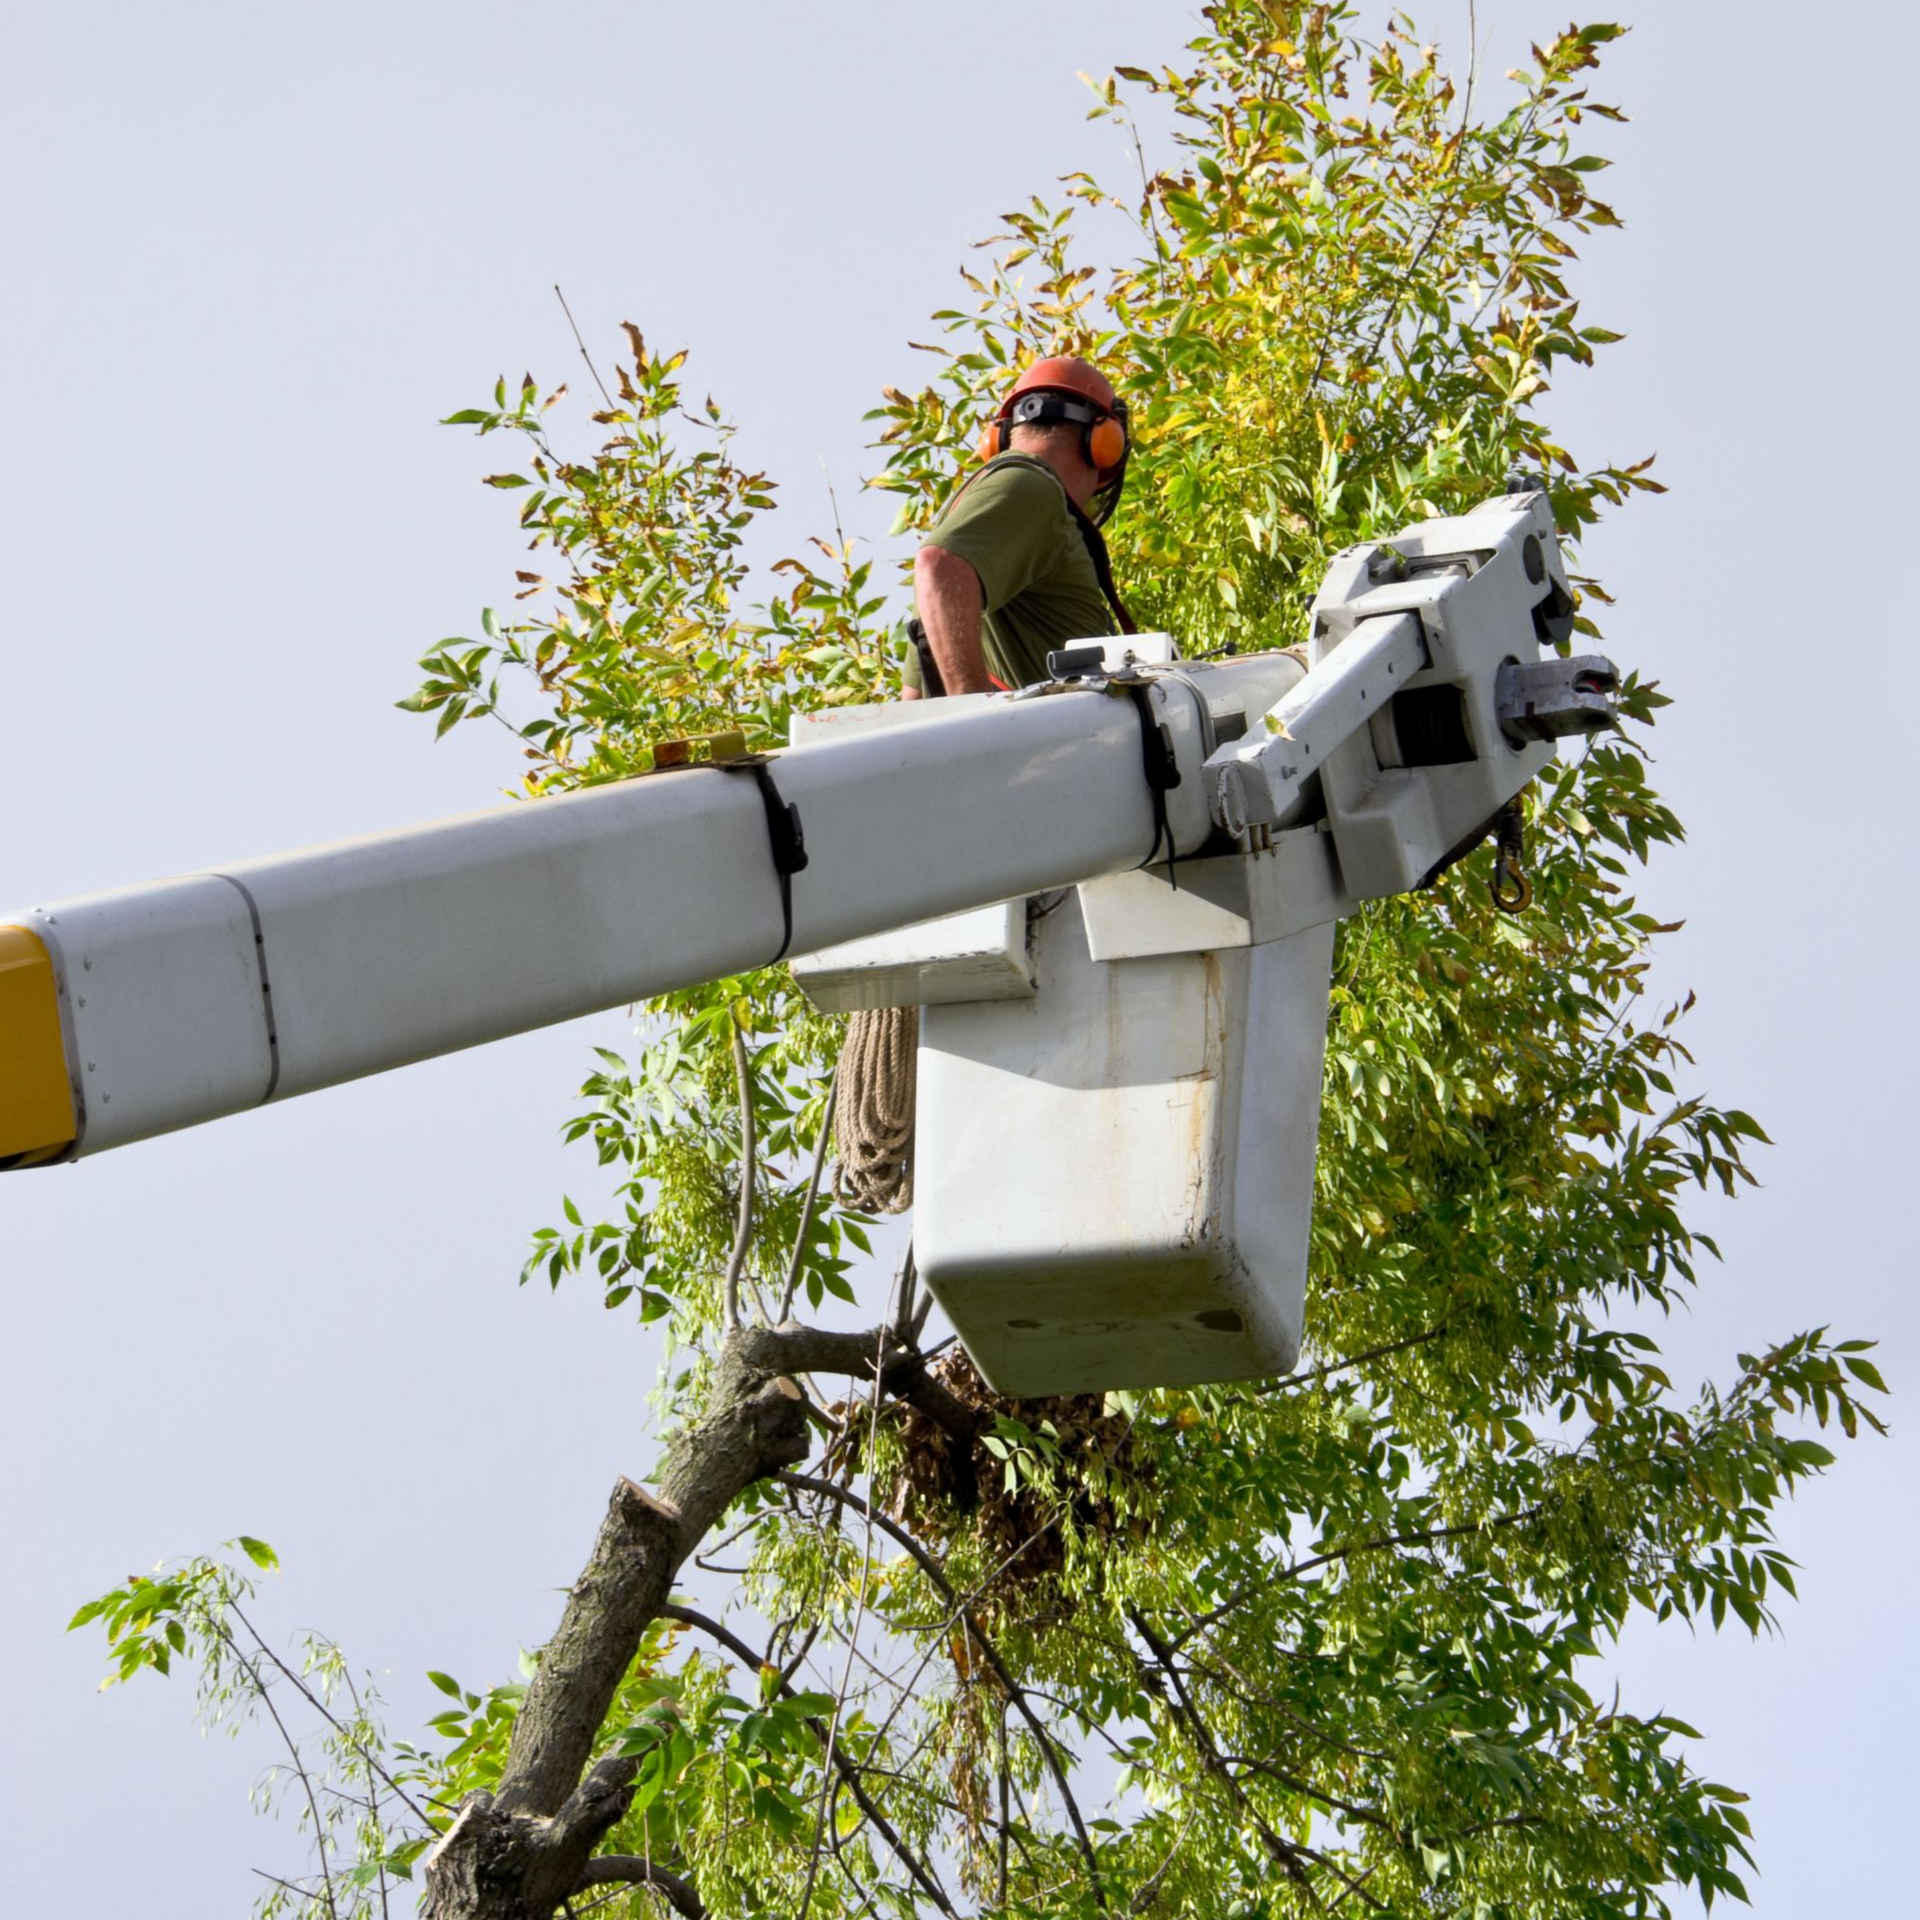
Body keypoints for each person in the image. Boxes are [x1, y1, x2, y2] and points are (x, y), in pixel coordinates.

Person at [901, 356, 1135, 700]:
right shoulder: (1031, 487)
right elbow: (937, 564)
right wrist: (979, 720)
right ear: (1103, 442)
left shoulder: (974, 522)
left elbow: (912, 700)